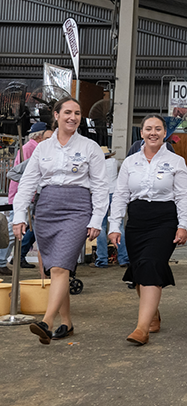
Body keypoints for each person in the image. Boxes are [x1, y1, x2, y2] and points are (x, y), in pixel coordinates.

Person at [12, 97, 108, 344]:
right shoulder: (43, 148)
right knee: (56, 269)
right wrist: (20, 215)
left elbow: (99, 186)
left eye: (77, 113)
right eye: (67, 112)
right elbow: (28, 184)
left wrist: (97, 218)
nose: (72, 117)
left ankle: (47, 321)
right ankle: (67, 322)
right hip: (46, 209)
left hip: (77, 209)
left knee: (60, 267)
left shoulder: (90, 147)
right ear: (55, 115)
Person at [108, 115, 187, 345]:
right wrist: (114, 226)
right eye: (148, 129)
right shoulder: (130, 162)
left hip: (165, 220)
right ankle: (152, 314)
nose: (153, 132)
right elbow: (121, 195)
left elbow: (184, 196)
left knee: (152, 264)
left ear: (165, 133)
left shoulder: (177, 162)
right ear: (142, 133)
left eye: (158, 129)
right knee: (139, 270)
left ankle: (141, 328)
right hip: (136, 222)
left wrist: (183, 225)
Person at [2, 121, 50, 275]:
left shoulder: (34, 148)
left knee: (29, 231)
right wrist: (31, 182)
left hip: (30, 196)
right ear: (40, 136)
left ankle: (15, 257)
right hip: (24, 195)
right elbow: (22, 172)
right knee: (12, 230)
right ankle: (2, 260)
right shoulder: (32, 149)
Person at [94, 146, 129, 269]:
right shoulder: (114, 162)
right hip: (115, 193)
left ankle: (102, 259)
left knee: (101, 227)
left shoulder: (95, 164)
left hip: (101, 194)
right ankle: (123, 258)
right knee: (118, 226)